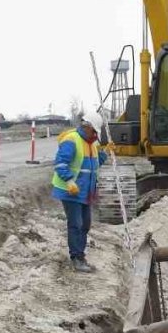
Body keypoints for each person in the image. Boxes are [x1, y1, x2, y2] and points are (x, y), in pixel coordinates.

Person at [51, 111, 107, 273]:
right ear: (87, 126)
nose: (96, 134)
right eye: (94, 131)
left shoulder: (91, 143)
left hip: (84, 191)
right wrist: (69, 180)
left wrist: (105, 153)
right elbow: (60, 163)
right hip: (70, 191)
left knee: (85, 225)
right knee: (76, 224)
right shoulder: (72, 140)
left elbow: (93, 166)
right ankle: (76, 258)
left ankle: (80, 256)